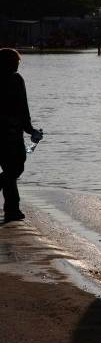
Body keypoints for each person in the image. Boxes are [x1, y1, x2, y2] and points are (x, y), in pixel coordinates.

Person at [0, 49, 43, 223]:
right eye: (16, 62)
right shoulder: (16, 80)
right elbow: (23, 107)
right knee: (15, 168)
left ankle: (12, 209)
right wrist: (30, 129)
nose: (18, 65)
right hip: (11, 134)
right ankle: (12, 209)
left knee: (11, 170)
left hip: (10, 132)